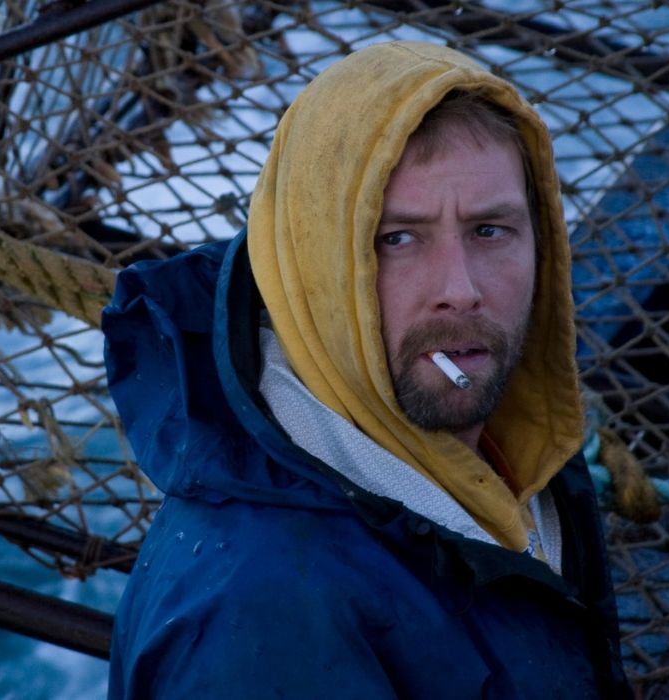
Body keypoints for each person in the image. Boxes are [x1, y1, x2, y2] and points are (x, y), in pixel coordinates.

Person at [102, 42, 632, 698]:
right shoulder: (262, 619)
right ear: (316, 268)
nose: (461, 289)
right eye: (396, 240)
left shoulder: (523, 441)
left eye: (490, 230)